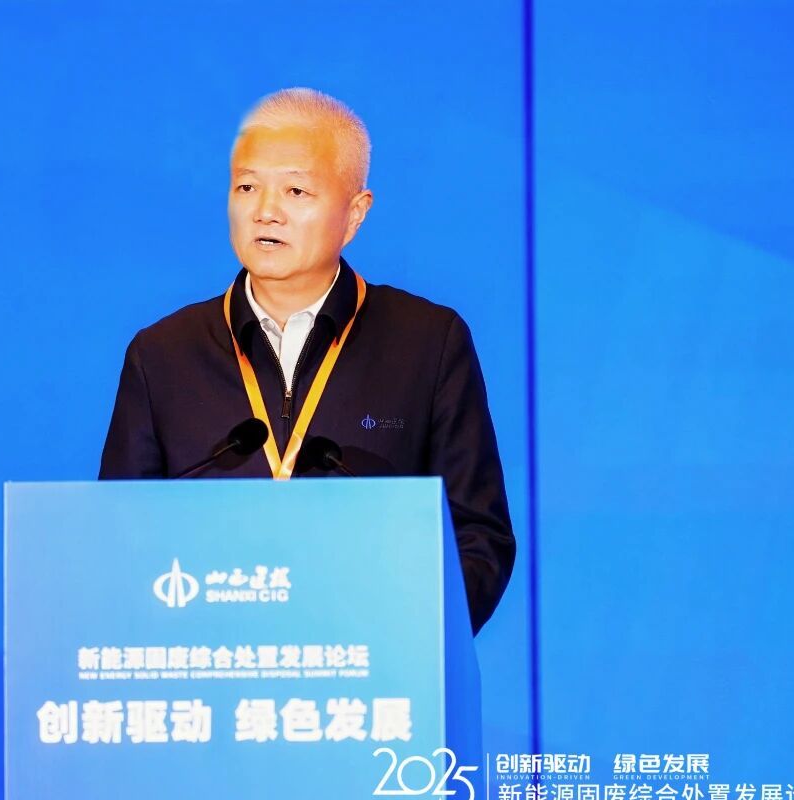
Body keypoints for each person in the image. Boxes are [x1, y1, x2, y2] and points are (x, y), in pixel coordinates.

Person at [99, 87, 515, 635]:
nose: (266, 212)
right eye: (247, 187)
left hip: (371, 664)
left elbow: (477, 536)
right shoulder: (161, 355)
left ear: (355, 214)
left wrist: (410, 641)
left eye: (296, 190)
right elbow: (116, 538)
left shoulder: (427, 343)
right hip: (209, 662)